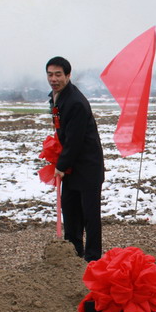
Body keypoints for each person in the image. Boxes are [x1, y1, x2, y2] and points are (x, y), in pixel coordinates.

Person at [46, 56, 105, 262]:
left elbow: (75, 140)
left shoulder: (75, 102)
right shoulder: (56, 97)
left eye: (58, 75)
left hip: (87, 166)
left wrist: (61, 165)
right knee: (70, 211)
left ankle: (93, 257)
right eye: (50, 75)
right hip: (71, 166)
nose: (54, 79)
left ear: (68, 75)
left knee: (90, 215)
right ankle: (73, 253)